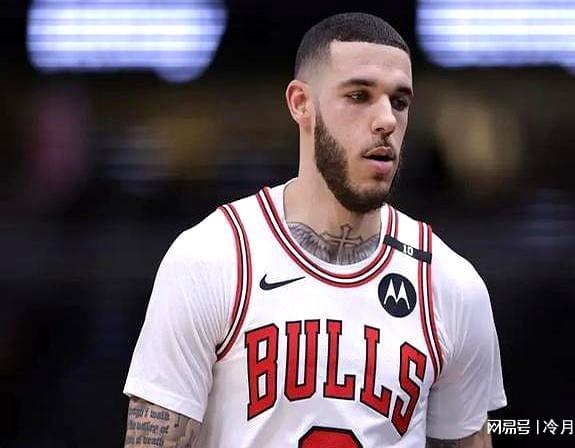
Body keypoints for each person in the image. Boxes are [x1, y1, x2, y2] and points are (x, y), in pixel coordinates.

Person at [123, 12, 506, 448]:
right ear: (301, 103)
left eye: (399, 102)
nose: (386, 120)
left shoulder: (451, 284)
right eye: (359, 96)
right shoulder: (212, 257)